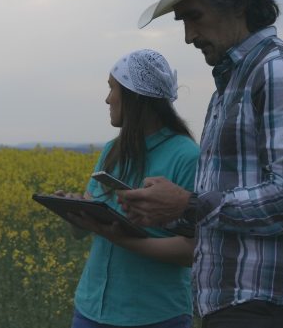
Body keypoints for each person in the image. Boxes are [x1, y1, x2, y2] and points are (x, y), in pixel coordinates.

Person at [119, 0, 283, 327]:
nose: (188, 36)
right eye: (182, 21)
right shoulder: (231, 85)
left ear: (237, 3)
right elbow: (224, 212)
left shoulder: (277, 72)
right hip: (231, 304)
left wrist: (187, 203)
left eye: (195, 17)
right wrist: (162, 213)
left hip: (264, 306)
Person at [59, 49, 200, 328]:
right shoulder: (113, 150)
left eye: (113, 88)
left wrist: (125, 240)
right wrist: (75, 213)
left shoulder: (187, 155)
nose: (107, 98)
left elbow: (192, 251)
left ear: (135, 98)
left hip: (154, 314)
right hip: (91, 308)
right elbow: (86, 227)